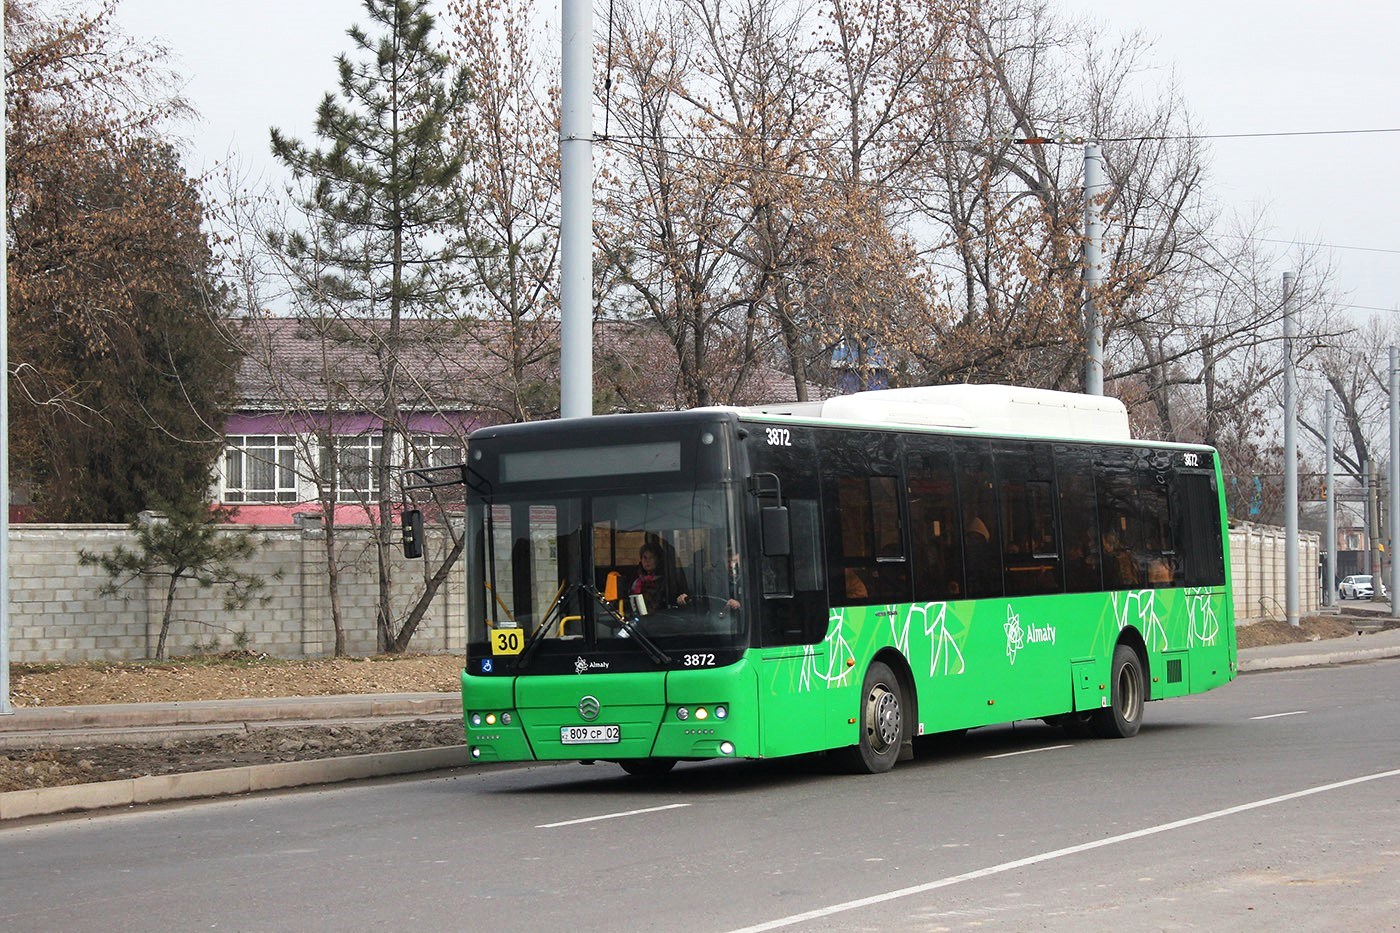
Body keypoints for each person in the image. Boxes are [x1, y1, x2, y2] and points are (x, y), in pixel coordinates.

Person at [630, 541, 689, 611]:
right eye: (644, 557)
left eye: (651, 557)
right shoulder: (635, 579)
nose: (647, 561)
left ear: (657, 560)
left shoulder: (667, 579)